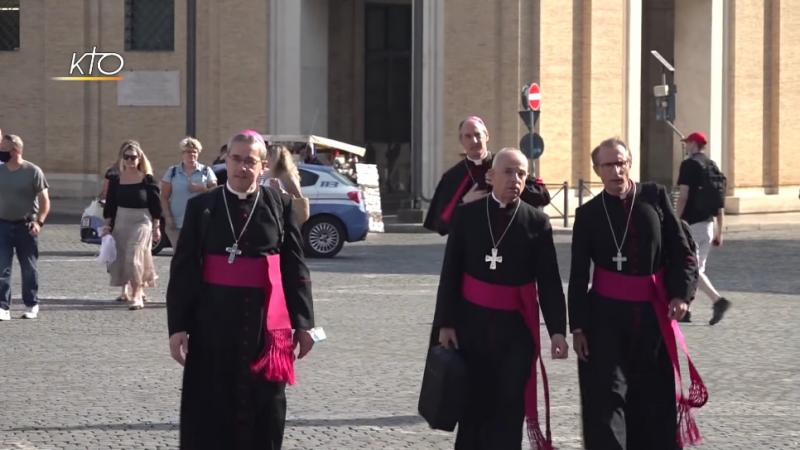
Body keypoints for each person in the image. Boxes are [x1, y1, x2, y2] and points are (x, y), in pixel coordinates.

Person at [167, 130, 315, 449]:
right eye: (236, 159)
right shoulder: (202, 207)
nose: (242, 166)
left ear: (262, 166)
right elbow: (183, 271)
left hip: (265, 327)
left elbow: (295, 268)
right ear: (226, 161)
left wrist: (304, 324)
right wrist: (178, 326)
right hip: (212, 325)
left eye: (250, 161)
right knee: (211, 407)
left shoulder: (280, 206)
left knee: (265, 406)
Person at [568, 137, 706, 449]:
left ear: (630, 163)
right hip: (604, 318)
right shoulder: (588, 214)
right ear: (597, 170)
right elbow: (578, 276)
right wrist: (577, 326)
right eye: (608, 165)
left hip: (651, 316)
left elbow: (682, 251)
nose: (617, 170)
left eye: (621, 162)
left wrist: (681, 294)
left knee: (652, 399)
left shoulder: (654, 197)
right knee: (607, 397)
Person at [432, 148, 568, 449]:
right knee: (473, 406)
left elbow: (548, 281)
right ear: (491, 176)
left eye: (521, 174)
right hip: (471, 327)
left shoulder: (536, 222)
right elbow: (450, 273)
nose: (515, 179)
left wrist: (558, 329)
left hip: (516, 332)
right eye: (508, 172)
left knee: (509, 408)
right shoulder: (467, 216)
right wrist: (446, 323)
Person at [424, 115, 551, 236]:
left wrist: (505, 185)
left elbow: (543, 196)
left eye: (478, 135)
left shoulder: (507, 163)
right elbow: (441, 226)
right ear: (461, 140)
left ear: (487, 136)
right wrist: (463, 203)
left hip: (510, 235)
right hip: (472, 244)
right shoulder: (452, 176)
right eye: (468, 136)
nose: (474, 141)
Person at [675, 131, 731, 325]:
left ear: (694, 144)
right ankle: (686, 311)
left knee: (693, 271)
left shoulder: (689, 165)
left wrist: (674, 220)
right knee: (696, 269)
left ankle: (718, 300)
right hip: (708, 225)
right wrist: (719, 231)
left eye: (687, 142)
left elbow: (683, 196)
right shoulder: (712, 166)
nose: (685, 145)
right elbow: (719, 202)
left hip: (691, 225)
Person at [102, 140, 162, 310]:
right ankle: (130, 289)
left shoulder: (147, 179)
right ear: (122, 159)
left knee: (134, 254)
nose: (130, 160)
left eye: (133, 157)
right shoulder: (116, 179)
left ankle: (137, 295)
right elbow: (111, 204)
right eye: (126, 157)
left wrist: (156, 227)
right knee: (123, 257)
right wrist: (107, 225)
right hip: (121, 219)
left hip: (142, 219)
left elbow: (156, 205)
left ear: (139, 158)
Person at [0, 134, 49, 321]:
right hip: (2, 225)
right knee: (1, 267)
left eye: (3, 149)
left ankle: (31, 304)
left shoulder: (33, 171)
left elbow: (45, 201)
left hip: (25, 226)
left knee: (29, 267)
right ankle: (3, 306)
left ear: (15, 151)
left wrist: (39, 222)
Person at [160, 137, 218, 249]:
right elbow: (164, 197)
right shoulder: (172, 172)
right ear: (182, 154)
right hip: (176, 223)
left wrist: (203, 188)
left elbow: (215, 192)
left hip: (200, 222)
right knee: (180, 256)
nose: (191, 155)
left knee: (197, 256)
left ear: (198, 153)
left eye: (194, 152)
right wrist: (167, 217)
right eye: (188, 152)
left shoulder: (206, 171)